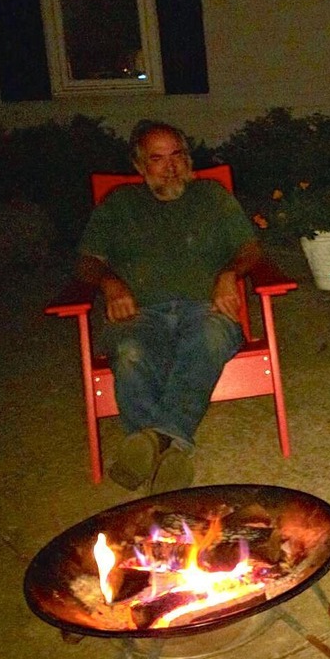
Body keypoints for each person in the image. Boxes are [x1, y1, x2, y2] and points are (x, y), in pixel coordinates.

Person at [78, 121, 263, 495]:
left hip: (205, 309)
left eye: (177, 155)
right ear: (140, 165)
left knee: (210, 338)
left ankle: (153, 446)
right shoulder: (119, 204)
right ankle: (170, 449)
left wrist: (229, 273)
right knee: (130, 352)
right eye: (158, 159)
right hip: (139, 314)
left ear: (188, 157)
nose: (171, 166)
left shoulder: (211, 196)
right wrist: (110, 284)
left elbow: (251, 249)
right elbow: (86, 262)